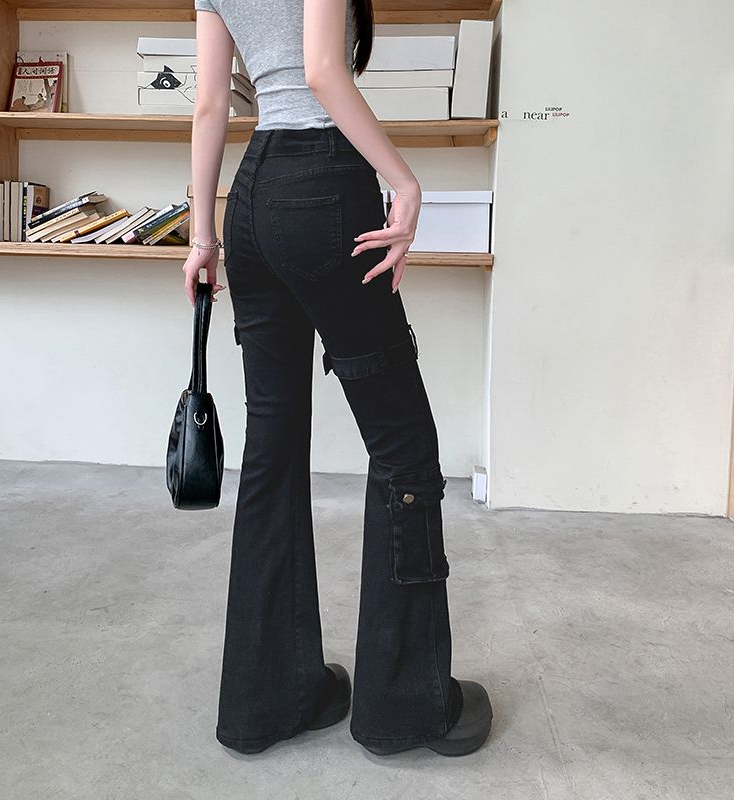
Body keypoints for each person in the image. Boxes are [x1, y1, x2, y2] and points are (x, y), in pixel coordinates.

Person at [183, 0, 493, 757]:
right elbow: (323, 68)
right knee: (403, 447)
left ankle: (266, 700)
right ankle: (405, 707)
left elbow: (211, 102)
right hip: (324, 184)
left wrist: (202, 238)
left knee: (272, 449)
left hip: (251, 203)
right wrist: (403, 180)